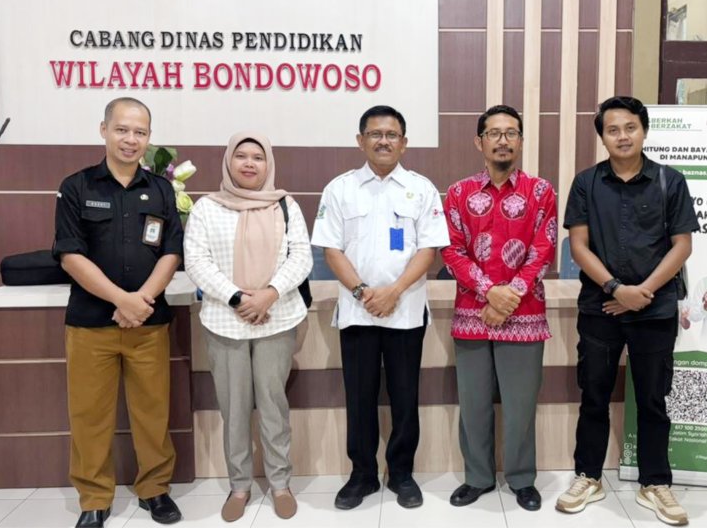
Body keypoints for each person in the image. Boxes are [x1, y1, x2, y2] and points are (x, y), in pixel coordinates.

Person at [557, 96, 698, 526]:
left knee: (654, 398)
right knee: (594, 395)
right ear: (602, 136)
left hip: (654, 310)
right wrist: (617, 289)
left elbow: (682, 246)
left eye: (630, 127)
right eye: (613, 129)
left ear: (644, 131)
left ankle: (655, 483)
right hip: (600, 307)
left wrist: (642, 293)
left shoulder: (670, 181)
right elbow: (578, 247)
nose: (622, 136)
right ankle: (588, 476)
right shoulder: (586, 183)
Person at [311, 105, 450, 510]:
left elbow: (429, 250)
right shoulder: (340, 188)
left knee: (405, 397)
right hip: (358, 313)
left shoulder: (421, 188)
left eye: (392, 135)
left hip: (405, 312)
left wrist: (394, 292)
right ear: (361, 140)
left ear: (404, 142)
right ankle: (362, 476)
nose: (384, 141)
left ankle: (402, 473)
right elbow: (331, 249)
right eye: (375, 134)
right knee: (360, 398)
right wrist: (362, 292)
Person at [53, 97, 184, 528]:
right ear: (104, 130)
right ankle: (94, 498)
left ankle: (154, 490)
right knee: (89, 416)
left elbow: (171, 251)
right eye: (122, 129)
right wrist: (121, 300)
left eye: (140, 132)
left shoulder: (161, 190)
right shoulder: (77, 187)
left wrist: (140, 300)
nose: (131, 139)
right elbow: (70, 255)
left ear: (149, 138)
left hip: (148, 322)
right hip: (91, 324)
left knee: (152, 413)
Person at [184, 133, 313, 522]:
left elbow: (301, 256)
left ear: (268, 163)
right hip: (226, 321)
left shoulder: (286, 205)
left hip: (277, 317)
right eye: (241, 155)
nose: (249, 163)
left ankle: (280, 483)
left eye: (258, 156)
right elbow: (197, 261)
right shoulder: (207, 208)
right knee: (234, 408)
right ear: (228, 161)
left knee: (273, 405)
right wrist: (238, 298)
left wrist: (268, 295)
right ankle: (239, 486)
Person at [440, 104, 557, 512]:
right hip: (473, 313)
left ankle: (522, 479)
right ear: (480, 142)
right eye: (494, 133)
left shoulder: (541, 191)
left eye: (511, 133)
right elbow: (451, 251)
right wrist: (490, 292)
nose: (503, 140)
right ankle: (478, 477)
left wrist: (509, 297)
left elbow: (544, 249)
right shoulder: (458, 193)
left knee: (521, 406)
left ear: (520, 141)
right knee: (473, 405)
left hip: (525, 314)